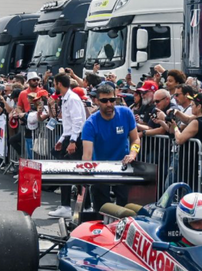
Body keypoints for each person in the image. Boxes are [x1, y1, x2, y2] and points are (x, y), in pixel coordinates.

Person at [81, 82, 140, 211]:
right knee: (101, 209)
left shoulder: (126, 113)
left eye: (112, 100)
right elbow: (87, 155)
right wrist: (86, 174)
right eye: (104, 100)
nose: (109, 104)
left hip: (123, 168)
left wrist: (132, 154)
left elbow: (135, 139)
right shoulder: (90, 124)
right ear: (96, 101)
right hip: (100, 170)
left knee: (126, 208)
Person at [48, 73, 88, 219]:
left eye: (54, 83)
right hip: (70, 137)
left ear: (59, 83)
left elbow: (78, 121)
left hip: (75, 139)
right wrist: (62, 139)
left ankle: (78, 206)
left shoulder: (72, 99)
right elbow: (69, 124)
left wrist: (72, 141)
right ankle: (69, 205)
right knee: (66, 170)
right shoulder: (66, 99)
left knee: (73, 172)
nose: (53, 86)